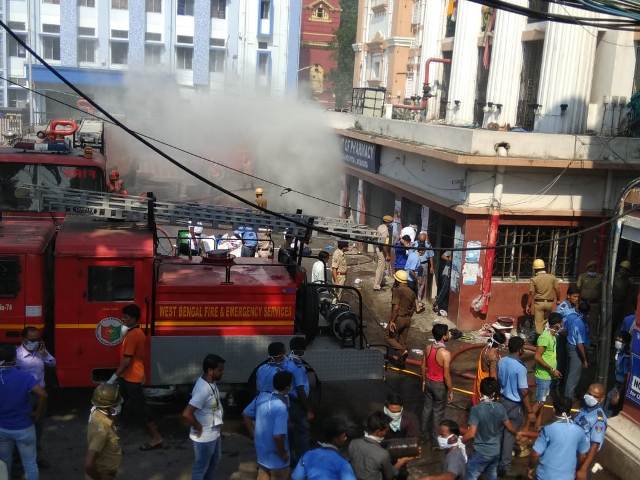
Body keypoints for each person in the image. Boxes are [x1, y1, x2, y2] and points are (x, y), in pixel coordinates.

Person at [107, 304, 163, 451]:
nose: (122, 319)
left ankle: (156, 438)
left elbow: (127, 361)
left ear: (133, 319)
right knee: (122, 404)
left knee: (141, 409)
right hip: (129, 376)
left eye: (125, 317)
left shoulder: (133, 335)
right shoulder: (133, 332)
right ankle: (114, 435)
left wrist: (112, 378)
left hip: (132, 378)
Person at [0, 344, 47, 480]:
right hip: (24, 428)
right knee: (30, 464)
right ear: (14, 358)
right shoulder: (24, 376)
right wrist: (38, 412)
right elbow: (43, 394)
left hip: (2, 429)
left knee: (4, 463)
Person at [463, 378, 518, 480]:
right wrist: (519, 434)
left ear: (481, 390)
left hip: (481, 451)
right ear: (495, 393)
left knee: (470, 474)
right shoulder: (500, 408)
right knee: (491, 476)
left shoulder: (476, 409)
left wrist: (461, 441)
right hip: (495, 452)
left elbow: (471, 434)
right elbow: (510, 427)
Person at [16, 326, 56, 466]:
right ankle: (18, 460)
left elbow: (52, 363)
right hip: (23, 397)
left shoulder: (40, 352)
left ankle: (36, 457)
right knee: (21, 429)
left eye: (37, 339)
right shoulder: (16, 355)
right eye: (31, 339)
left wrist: (44, 354)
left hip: (40, 397)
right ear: (23, 339)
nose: (34, 342)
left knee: (38, 428)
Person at [182, 354, 226, 480]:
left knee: (214, 462)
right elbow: (186, 413)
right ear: (210, 371)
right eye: (220, 370)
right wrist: (198, 426)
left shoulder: (210, 382)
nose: (222, 372)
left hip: (214, 433)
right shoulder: (203, 389)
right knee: (201, 468)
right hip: (205, 437)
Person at [243, 371, 293, 480]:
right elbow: (278, 437)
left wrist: (254, 435)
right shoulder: (281, 407)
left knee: (262, 475)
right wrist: (283, 454)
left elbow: (246, 414)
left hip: (262, 454)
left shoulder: (261, 397)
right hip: (277, 459)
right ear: (288, 387)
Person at [497, 336, 535, 476]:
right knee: (509, 436)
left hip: (502, 401)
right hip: (514, 405)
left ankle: (496, 461)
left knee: (500, 432)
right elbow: (524, 391)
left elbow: (499, 380)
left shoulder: (501, 361)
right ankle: (504, 468)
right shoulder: (520, 368)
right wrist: (530, 411)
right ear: (520, 350)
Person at [528, 396, 589, 480]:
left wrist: (531, 468)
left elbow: (535, 454)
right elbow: (582, 457)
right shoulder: (580, 431)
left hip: (545, 476)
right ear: (570, 410)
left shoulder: (548, 429)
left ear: (553, 409)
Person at [348, 411, 414, 480]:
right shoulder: (382, 454)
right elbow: (390, 476)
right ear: (378, 432)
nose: (387, 431)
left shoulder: (353, 443)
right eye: (386, 430)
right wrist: (401, 461)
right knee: (403, 474)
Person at [291, 416, 356, 480]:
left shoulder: (307, 455)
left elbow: (296, 477)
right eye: (343, 436)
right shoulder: (343, 464)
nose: (346, 438)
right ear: (335, 439)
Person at [422, 323, 453, 445]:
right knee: (437, 413)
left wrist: (424, 381)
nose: (449, 334)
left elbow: (423, 366)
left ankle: (423, 435)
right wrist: (450, 390)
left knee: (426, 409)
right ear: (444, 336)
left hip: (429, 382)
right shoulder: (445, 353)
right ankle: (435, 441)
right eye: (448, 332)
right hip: (439, 386)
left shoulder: (428, 348)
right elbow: (446, 375)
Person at [84, 384, 123, 480]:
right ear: (110, 407)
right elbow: (88, 465)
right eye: (116, 404)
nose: (119, 405)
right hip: (103, 474)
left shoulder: (96, 412)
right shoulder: (102, 430)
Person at [532, 313, 563, 429]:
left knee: (542, 401)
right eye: (561, 323)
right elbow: (537, 356)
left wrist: (554, 370)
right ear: (557, 325)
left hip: (548, 375)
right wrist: (551, 369)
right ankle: (525, 426)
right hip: (544, 376)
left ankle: (537, 426)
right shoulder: (545, 337)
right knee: (540, 402)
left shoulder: (553, 336)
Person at [285, 337, 313, 464]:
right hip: (297, 404)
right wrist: (308, 409)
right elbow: (300, 390)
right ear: (300, 349)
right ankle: (303, 461)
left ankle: (291, 458)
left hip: (289, 401)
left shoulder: (287, 361)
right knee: (303, 433)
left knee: (290, 432)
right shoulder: (297, 367)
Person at [574, 383, 607, 480]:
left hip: (582, 457)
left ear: (601, 399)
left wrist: (583, 468)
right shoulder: (584, 408)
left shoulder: (599, 419)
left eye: (595, 396)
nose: (591, 397)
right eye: (589, 394)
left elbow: (595, 445)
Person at [387, 270, 417, 358]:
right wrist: (408, 317)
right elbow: (414, 308)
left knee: (389, 337)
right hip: (408, 319)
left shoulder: (398, 290)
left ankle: (403, 351)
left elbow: (396, 307)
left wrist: (392, 321)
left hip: (399, 318)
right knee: (402, 341)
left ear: (398, 280)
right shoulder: (412, 292)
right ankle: (401, 361)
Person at [526, 259, 561, 335]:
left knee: (539, 324)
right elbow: (557, 289)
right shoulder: (552, 277)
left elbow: (531, 293)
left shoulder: (534, 279)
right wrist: (558, 300)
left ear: (535, 269)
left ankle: (541, 342)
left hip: (539, 303)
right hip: (549, 303)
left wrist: (528, 305)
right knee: (547, 322)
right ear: (544, 267)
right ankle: (547, 339)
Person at [564, 301, 590, 401]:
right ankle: (568, 399)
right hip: (576, 350)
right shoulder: (580, 324)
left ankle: (569, 394)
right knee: (573, 376)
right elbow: (580, 345)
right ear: (587, 313)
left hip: (570, 345)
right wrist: (584, 360)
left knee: (570, 373)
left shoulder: (575, 319)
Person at [471, 331, 506, 405]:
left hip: (481, 379)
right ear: (500, 345)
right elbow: (493, 377)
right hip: (487, 385)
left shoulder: (486, 348)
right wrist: (496, 391)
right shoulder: (493, 356)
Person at [605, 331, 631, 417]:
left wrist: (619, 393)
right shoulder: (618, 352)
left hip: (619, 384)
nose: (618, 342)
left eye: (620, 341)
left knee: (611, 400)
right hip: (614, 379)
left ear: (626, 343)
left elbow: (626, 376)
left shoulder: (626, 357)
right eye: (617, 340)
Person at [577, 260, 602, 338]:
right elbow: (578, 287)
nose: (592, 268)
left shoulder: (600, 277)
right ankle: (580, 337)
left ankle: (592, 339)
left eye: (594, 267)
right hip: (584, 302)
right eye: (591, 267)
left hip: (594, 303)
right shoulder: (582, 276)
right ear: (588, 268)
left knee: (593, 322)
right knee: (582, 320)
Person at [405, 242, 427, 312]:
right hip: (410, 279)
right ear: (421, 251)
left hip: (408, 277)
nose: (425, 252)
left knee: (415, 293)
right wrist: (417, 279)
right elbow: (411, 270)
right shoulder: (416, 258)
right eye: (424, 251)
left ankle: (417, 307)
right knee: (412, 294)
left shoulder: (412, 254)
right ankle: (411, 308)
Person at [374, 215, 393, 291]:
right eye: (391, 222)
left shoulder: (380, 226)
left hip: (379, 249)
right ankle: (376, 285)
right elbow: (384, 243)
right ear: (388, 222)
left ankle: (379, 283)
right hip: (382, 250)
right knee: (381, 268)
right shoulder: (385, 230)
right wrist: (387, 254)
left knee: (381, 267)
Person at [612, 260, 633, 331]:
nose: (623, 271)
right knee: (610, 322)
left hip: (621, 304)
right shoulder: (613, 277)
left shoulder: (628, 281)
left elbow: (629, 295)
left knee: (618, 323)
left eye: (625, 269)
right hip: (612, 302)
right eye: (622, 268)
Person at [433, 250, 452, 315]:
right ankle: (437, 303)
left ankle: (442, 307)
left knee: (446, 292)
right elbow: (442, 256)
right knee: (444, 290)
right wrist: (449, 260)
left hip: (452, 276)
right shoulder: (451, 251)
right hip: (446, 274)